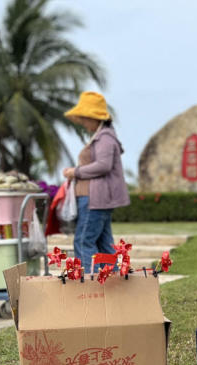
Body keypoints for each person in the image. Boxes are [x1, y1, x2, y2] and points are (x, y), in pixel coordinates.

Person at [61, 91, 130, 270]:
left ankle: (90, 285)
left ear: (95, 118)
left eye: (85, 118)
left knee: (83, 241)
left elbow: (103, 165)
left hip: (95, 200)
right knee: (105, 245)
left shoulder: (105, 138)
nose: (83, 122)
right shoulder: (103, 136)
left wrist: (75, 172)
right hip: (97, 200)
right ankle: (115, 285)